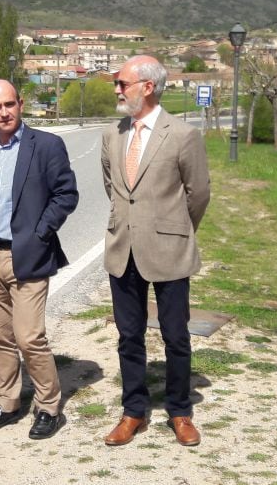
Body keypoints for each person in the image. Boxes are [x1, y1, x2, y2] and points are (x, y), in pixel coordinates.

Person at [100, 55, 210, 447]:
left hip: (169, 250)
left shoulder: (182, 134)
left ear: (147, 87)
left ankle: (180, 411)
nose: (117, 90)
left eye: (122, 83)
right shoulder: (113, 133)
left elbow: (199, 193)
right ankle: (134, 412)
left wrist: (177, 231)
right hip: (122, 249)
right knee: (128, 336)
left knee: (175, 335)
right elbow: (113, 189)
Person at [0, 79, 78, 440]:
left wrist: (40, 233)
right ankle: (8, 402)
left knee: (29, 337)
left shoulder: (46, 145)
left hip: (28, 256)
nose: (4, 112)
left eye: (9, 104)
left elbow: (66, 194)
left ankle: (48, 406)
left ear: (20, 103)